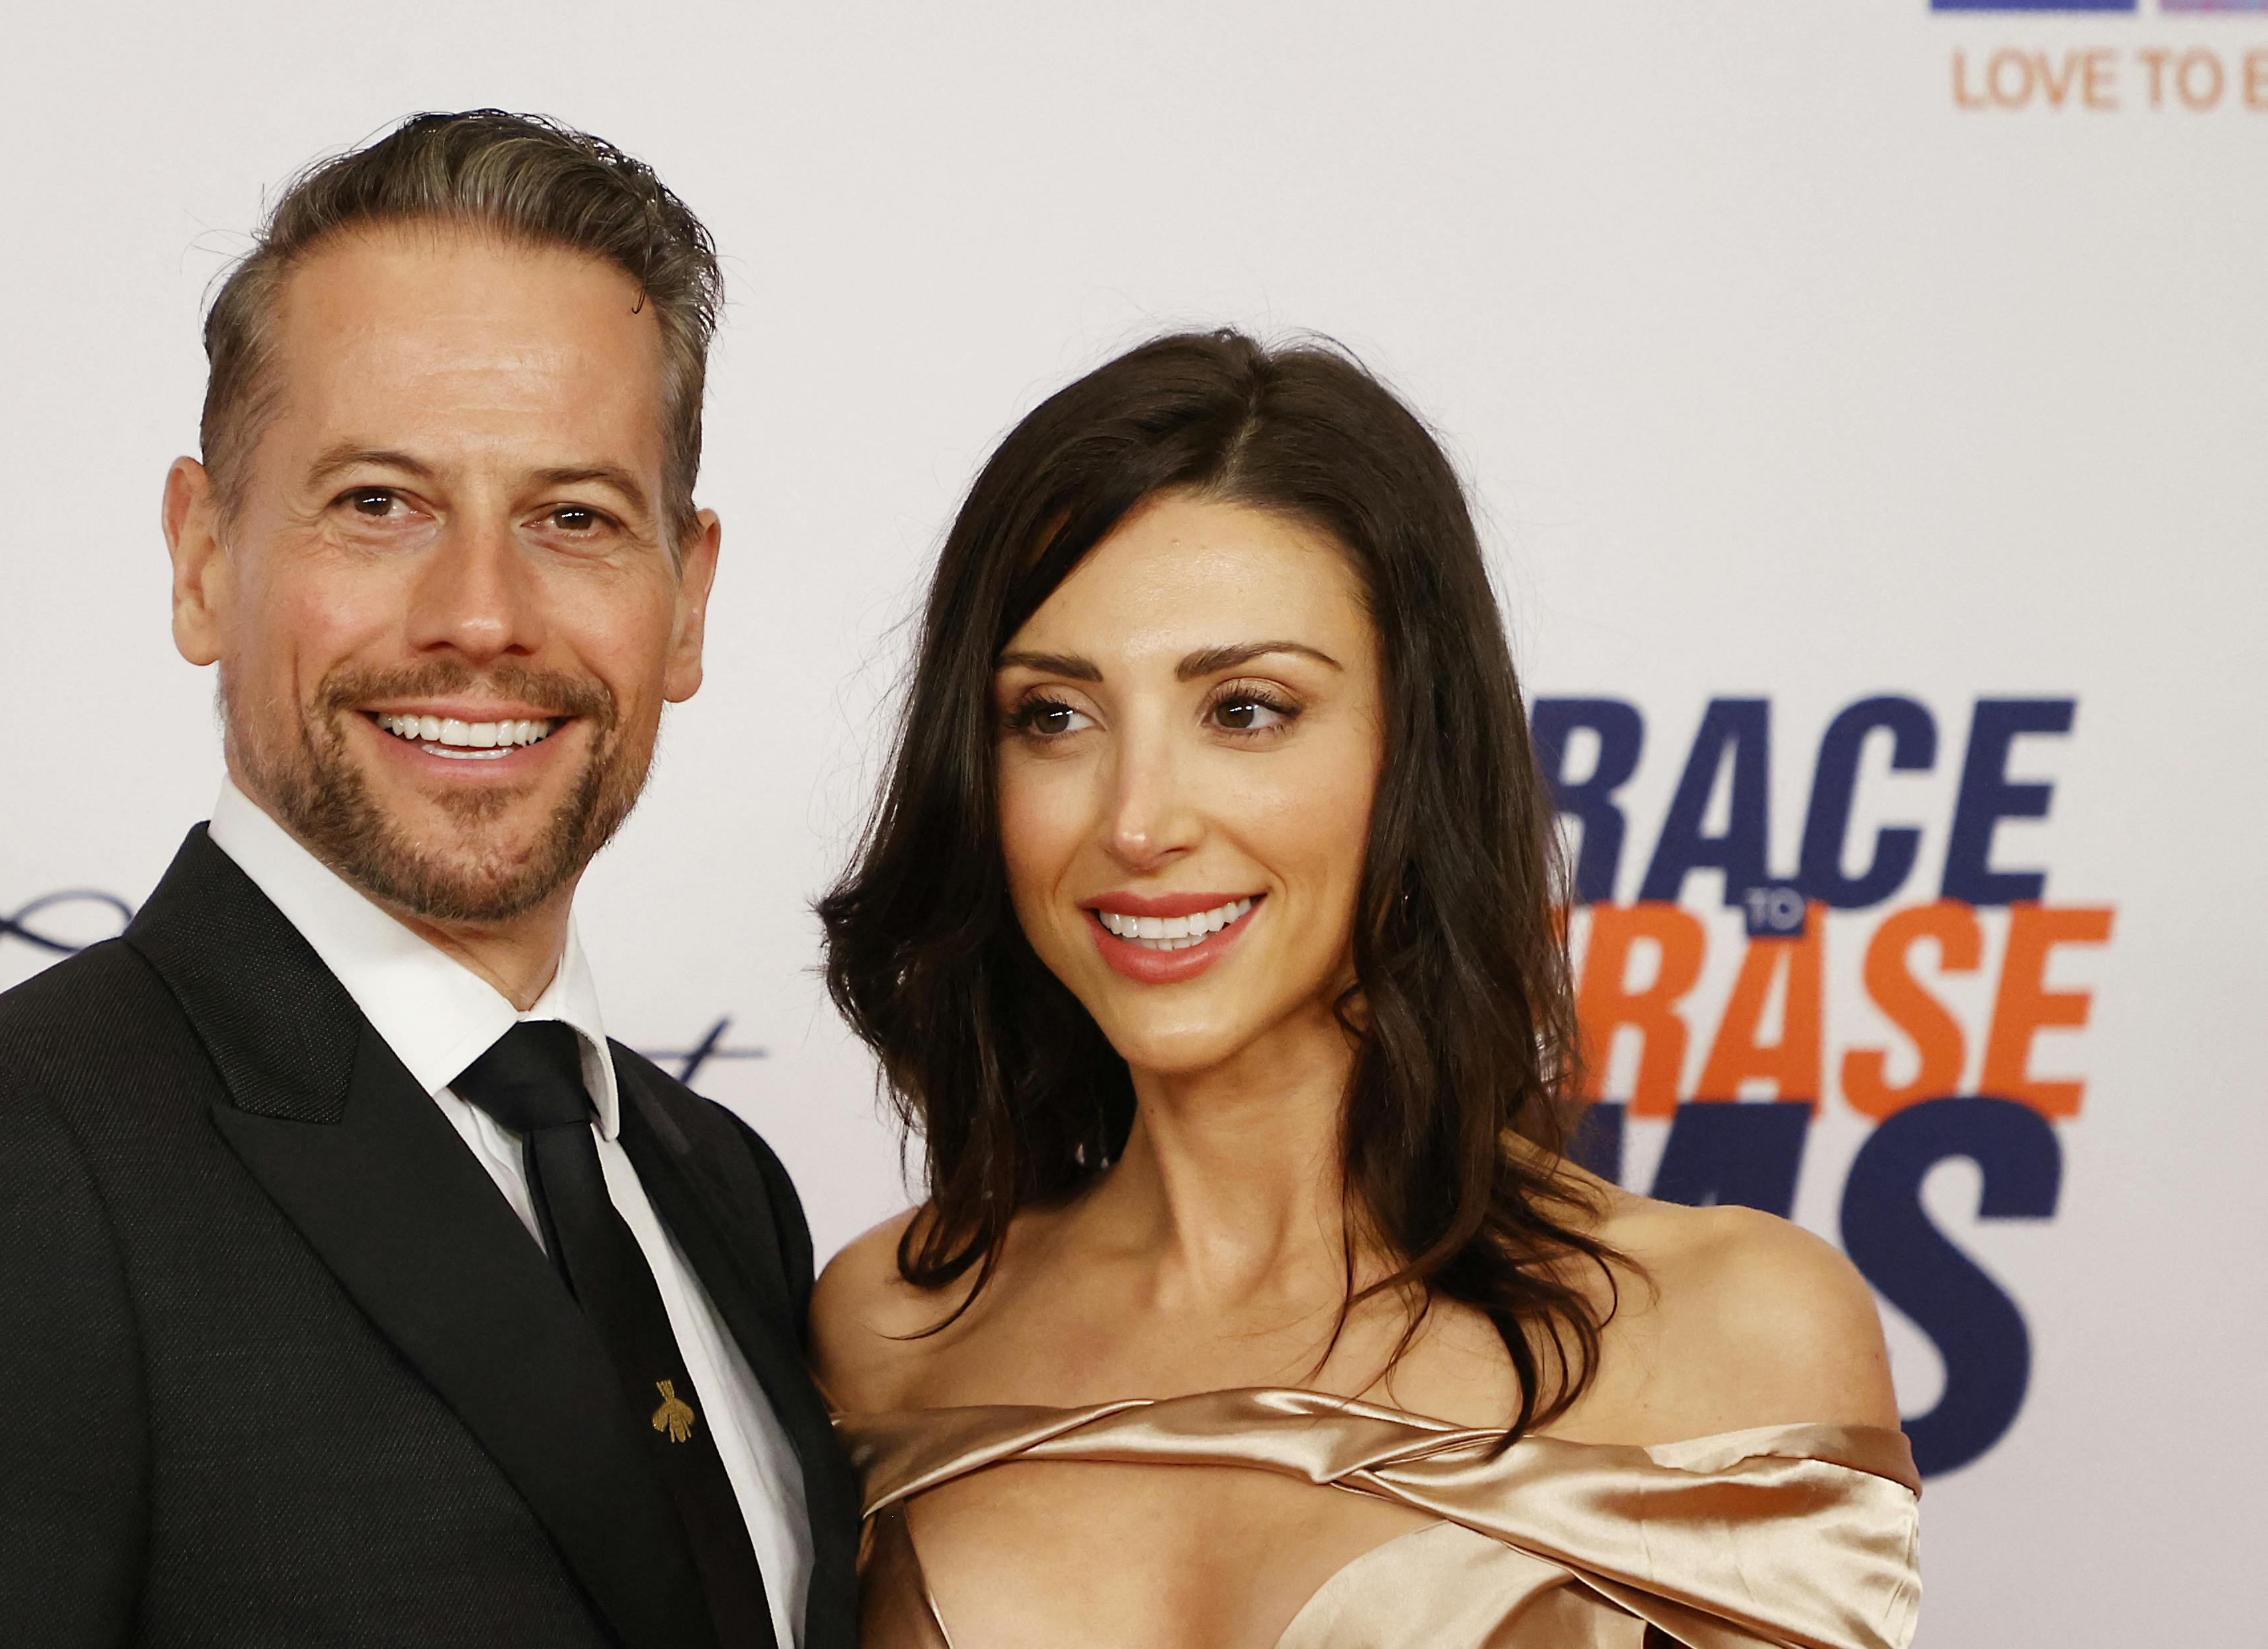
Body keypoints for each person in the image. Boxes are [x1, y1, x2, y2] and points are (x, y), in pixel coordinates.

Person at [0, 112, 860, 1649]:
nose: (481, 613)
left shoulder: (719, 1188)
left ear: (685, 603)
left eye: (574, 518)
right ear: (204, 559)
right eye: (378, 503)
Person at [811, 332, 1918, 1649]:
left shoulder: (1736, 1329)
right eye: (1053, 715)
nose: (1138, 822)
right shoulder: (889, 1326)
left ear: (1417, 749)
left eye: (1246, 709)